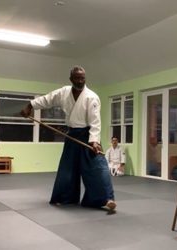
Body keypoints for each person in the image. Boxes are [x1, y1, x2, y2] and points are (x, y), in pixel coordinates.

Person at [20, 65, 116, 212]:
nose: (80, 81)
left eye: (82, 78)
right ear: (71, 79)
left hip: (88, 136)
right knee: (68, 168)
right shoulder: (64, 92)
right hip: (72, 135)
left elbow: (95, 122)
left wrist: (95, 141)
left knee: (97, 167)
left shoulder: (92, 97)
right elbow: (47, 99)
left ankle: (106, 199)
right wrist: (31, 105)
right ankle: (65, 197)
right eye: (77, 78)